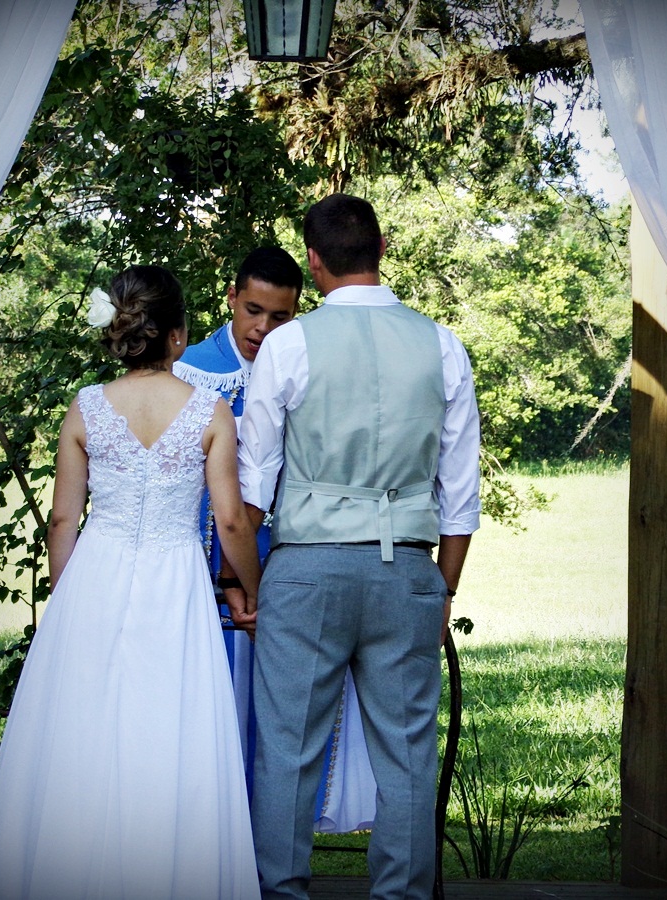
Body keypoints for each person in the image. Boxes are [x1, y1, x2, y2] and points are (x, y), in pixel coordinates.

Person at [0, 265, 261, 899]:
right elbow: (231, 519)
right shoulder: (210, 412)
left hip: (94, 575)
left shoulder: (87, 408)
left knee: (82, 735)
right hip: (175, 582)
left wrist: (67, 603)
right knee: (167, 729)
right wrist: (251, 588)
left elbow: (64, 518)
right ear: (178, 336)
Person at [229, 194, 481, 899]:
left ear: (312, 262)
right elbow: (460, 495)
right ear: (384, 248)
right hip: (405, 569)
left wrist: (247, 582)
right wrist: (443, 589)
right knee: (405, 755)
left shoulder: (287, 344)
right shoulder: (441, 344)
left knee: (288, 750)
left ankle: (281, 892)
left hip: (306, 570)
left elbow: (253, 489)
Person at [174, 247, 377, 833]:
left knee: (282, 712)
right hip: (207, 566)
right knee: (212, 713)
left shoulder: (308, 365)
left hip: (290, 563)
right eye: (254, 311)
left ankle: (270, 850)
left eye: (281, 317)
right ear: (232, 298)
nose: (263, 329)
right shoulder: (188, 370)